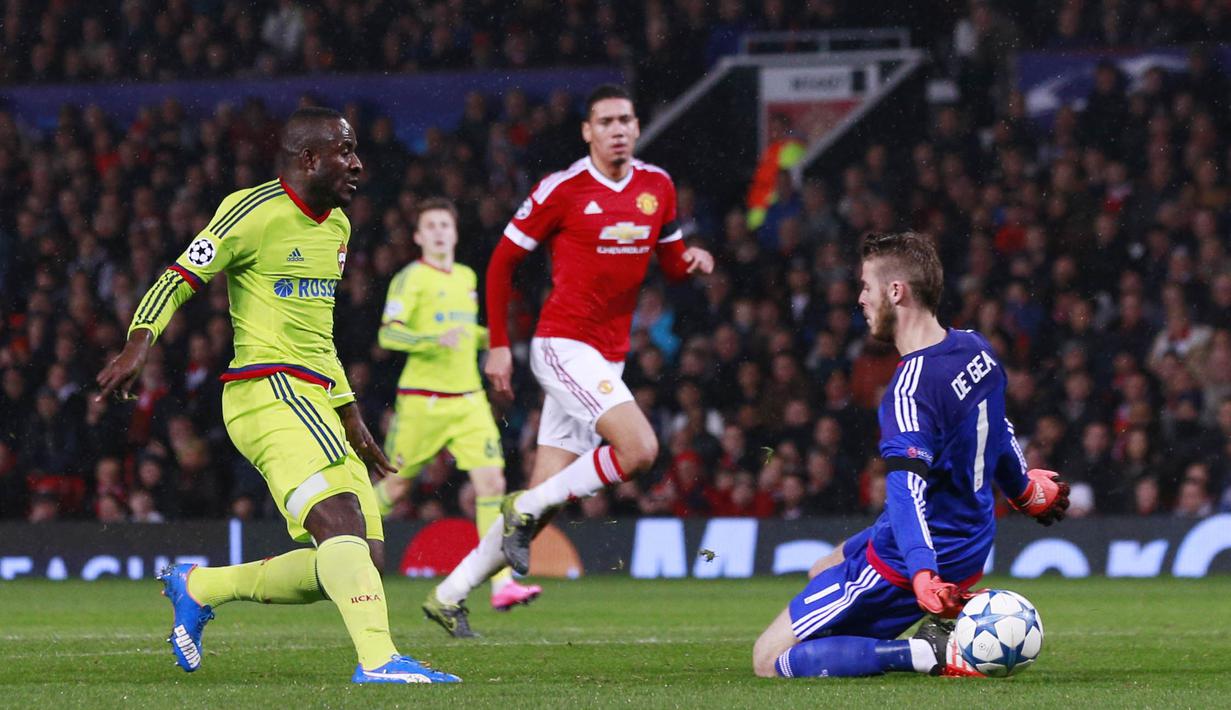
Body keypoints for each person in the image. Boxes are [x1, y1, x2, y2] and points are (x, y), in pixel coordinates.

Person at [95, 107, 459, 684]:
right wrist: (140, 340)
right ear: (309, 159)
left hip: (316, 395)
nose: (358, 163)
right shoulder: (252, 212)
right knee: (339, 526)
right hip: (267, 388)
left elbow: (318, 337)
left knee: (365, 558)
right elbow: (179, 275)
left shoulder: (337, 228)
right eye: (345, 151)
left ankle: (200, 586)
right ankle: (379, 661)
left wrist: (352, 417)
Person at [426, 85, 715, 627]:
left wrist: (692, 258)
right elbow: (500, 264)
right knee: (640, 449)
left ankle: (449, 592)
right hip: (561, 345)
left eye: (626, 119)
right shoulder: (563, 189)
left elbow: (672, 262)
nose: (618, 129)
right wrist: (498, 345)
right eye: (605, 121)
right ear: (588, 131)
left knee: (546, 496)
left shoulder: (658, 186)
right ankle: (522, 509)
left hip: (608, 358)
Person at [750, 232, 1070, 679]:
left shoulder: (908, 390)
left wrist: (921, 574)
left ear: (895, 291)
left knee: (768, 659)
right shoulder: (977, 348)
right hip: (970, 542)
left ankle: (928, 653)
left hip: (910, 560)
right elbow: (999, 430)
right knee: (822, 566)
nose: (860, 299)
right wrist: (1024, 490)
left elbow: (906, 493)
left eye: (866, 287)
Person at [373, 196, 541, 636]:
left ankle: (502, 583)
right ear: (418, 236)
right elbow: (388, 334)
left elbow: (464, 332)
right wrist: (432, 338)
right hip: (422, 400)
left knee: (493, 485)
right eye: (430, 226)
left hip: (468, 399)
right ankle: (339, 539)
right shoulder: (410, 278)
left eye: (445, 225)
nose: (439, 232)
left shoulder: (467, 276)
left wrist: (490, 336)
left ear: (455, 231)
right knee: (396, 485)